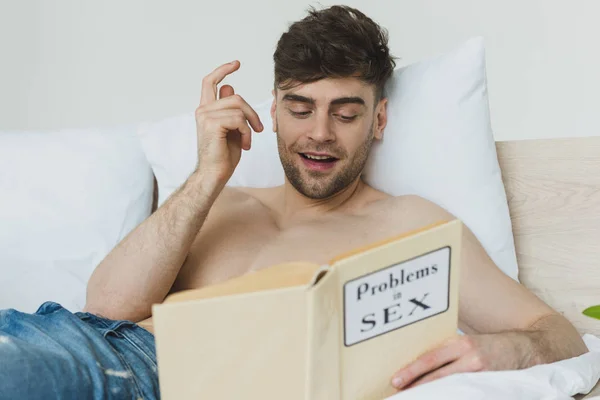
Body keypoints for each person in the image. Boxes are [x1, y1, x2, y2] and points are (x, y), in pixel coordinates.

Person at [0, 5, 588, 399]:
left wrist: (504, 349)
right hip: (74, 342)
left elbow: (555, 332)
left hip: (160, 380)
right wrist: (207, 176)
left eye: (346, 112)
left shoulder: (411, 224)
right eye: (301, 108)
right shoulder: (220, 202)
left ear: (379, 119)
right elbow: (107, 305)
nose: (320, 134)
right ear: (274, 111)